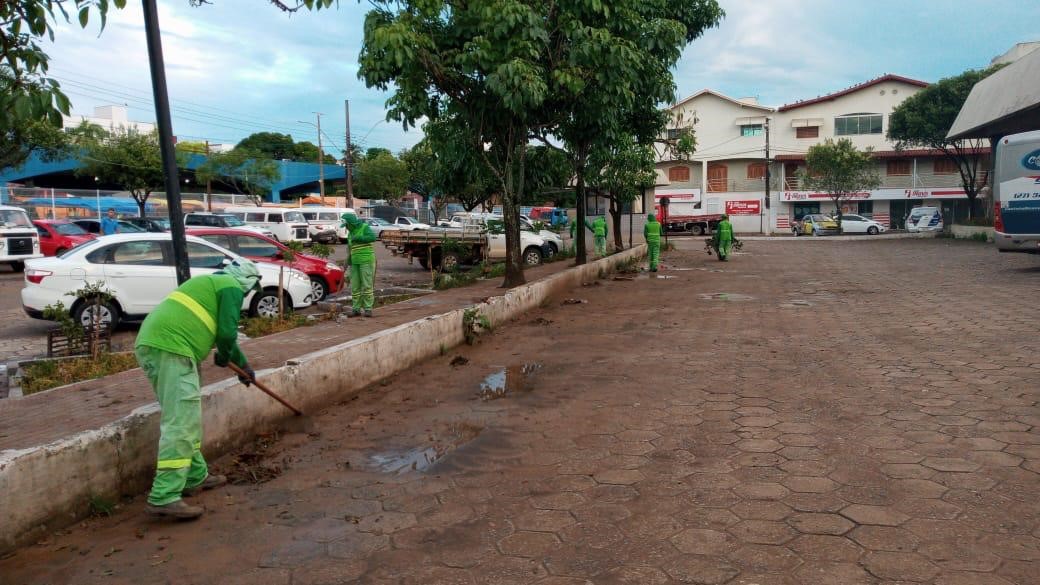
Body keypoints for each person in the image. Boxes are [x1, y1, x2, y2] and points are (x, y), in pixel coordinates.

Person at [135, 259, 260, 519]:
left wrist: (243, 366)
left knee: (186, 417)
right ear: (247, 283)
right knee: (181, 421)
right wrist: (225, 356)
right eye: (249, 291)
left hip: (160, 346)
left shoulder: (212, 284)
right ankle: (164, 496)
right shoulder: (231, 287)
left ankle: (195, 476)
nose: (246, 296)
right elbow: (226, 335)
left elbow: (222, 337)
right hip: (172, 349)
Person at [341, 212, 377, 317]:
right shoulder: (350, 234)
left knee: (366, 285)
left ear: (351, 223)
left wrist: (358, 238)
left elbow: (372, 238)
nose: (346, 228)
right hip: (355, 262)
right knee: (355, 286)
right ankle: (356, 309)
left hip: (366, 260)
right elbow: (350, 249)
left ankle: (368, 309)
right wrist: (347, 261)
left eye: (346, 225)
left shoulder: (364, 227)